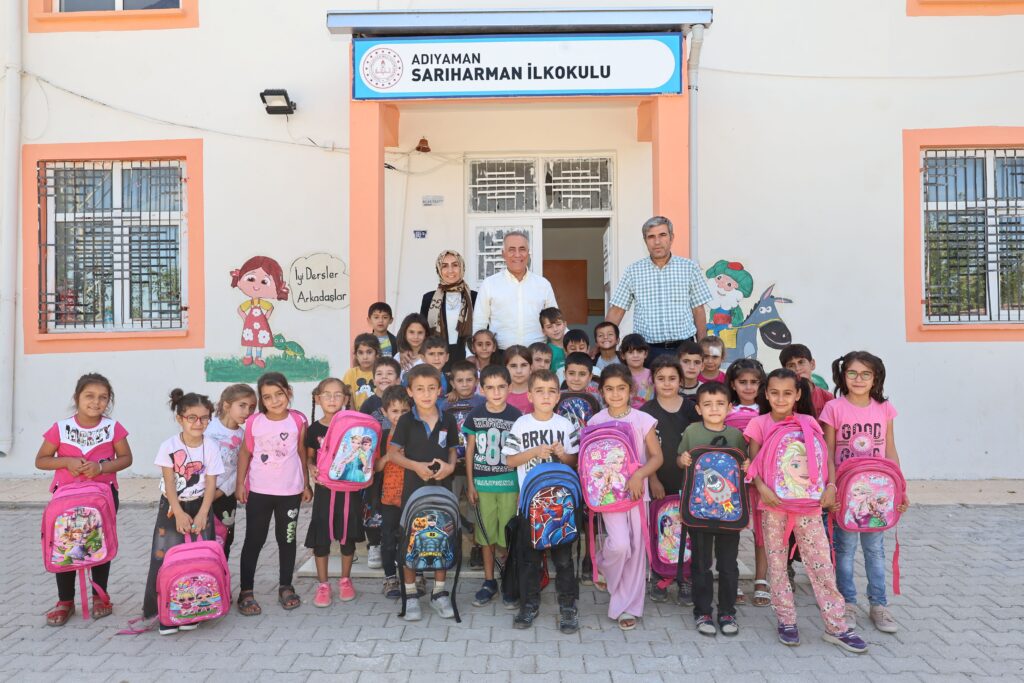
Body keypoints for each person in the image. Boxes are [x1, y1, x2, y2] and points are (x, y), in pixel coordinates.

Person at [744, 369, 867, 653]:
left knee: (821, 564)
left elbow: (826, 458)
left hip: (808, 507)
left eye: (787, 393)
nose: (780, 399)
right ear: (766, 394)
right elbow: (753, 463)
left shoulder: (809, 422)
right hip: (774, 506)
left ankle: (836, 626)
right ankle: (786, 620)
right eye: (774, 393)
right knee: (777, 565)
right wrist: (761, 489)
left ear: (798, 394)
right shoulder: (758, 423)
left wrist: (831, 486)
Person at [36, 373, 133, 626]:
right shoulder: (60, 428)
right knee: (65, 546)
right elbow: (41, 460)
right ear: (77, 397)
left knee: (98, 543)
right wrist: (66, 462)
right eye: (89, 396)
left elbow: (126, 458)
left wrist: (101, 468)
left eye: (103, 397)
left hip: (102, 498)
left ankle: (99, 595)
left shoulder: (113, 428)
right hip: (66, 499)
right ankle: (65, 600)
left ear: (108, 401)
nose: (96, 402)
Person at [821, 351, 906, 635]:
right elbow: (828, 452)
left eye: (866, 374)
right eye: (853, 373)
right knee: (844, 550)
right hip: (846, 493)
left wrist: (900, 488)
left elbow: (890, 449)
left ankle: (878, 605)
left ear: (875, 378)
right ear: (843, 376)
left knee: (875, 550)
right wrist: (831, 487)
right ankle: (847, 604)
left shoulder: (885, 408)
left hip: (878, 494)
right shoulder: (833, 408)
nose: (859, 379)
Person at [502, 369, 580, 632]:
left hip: (561, 506)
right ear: (530, 395)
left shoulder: (565, 424)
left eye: (551, 391)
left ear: (558, 396)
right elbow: (510, 460)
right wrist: (534, 451)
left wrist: (563, 454)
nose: (546, 396)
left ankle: (568, 607)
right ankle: (529, 604)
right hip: (530, 505)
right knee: (530, 559)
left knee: (564, 559)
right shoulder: (521, 424)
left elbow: (574, 462)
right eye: (540, 391)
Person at [588, 364, 664, 630]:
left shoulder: (642, 420)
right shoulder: (596, 422)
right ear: (601, 392)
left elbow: (657, 457)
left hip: (637, 493)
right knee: (620, 545)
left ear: (631, 390)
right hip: (609, 496)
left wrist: (639, 474)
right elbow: (590, 461)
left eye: (621, 388)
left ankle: (627, 606)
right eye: (609, 389)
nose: (616, 394)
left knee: (636, 550)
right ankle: (604, 564)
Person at [143, 390, 223, 635]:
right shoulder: (169, 446)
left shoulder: (211, 446)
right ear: (180, 419)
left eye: (204, 418)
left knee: (197, 558)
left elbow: (211, 483)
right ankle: (162, 612)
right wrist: (178, 512)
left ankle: (193, 608)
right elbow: (169, 483)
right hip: (172, 507)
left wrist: (203, 514)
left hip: (201, 506)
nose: (198, 423)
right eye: (192, 418)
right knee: (164, 557)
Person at [385, 364, 460, 621]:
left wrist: (450, 467)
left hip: (442, 489)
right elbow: (393, 454)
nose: (426, 394)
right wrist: (416, 466)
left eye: (431, 388)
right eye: (420, 389)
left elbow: (452, 450)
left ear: (440, 390)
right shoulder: (406, 421)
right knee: (411, 539)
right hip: (413, 491)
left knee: (442, 538)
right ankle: (411, 595)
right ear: (410, 392)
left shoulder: (448, 419)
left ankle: (440, 593)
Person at [236, 372, 312, 616]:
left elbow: (301, 452)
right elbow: (245, 453)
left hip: (290, 492)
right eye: (267, 397)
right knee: (254, 541)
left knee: (287, 539)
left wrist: (306, 484)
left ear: (288, 392)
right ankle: (246, 591)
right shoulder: (254, 422)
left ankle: (286, 586)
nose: (275, 400)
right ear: (261, 400)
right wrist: (240, 484)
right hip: (259, 491)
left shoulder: (298, 420)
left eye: (279, 394)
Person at [677, 382, 748, 637]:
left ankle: (727, 611)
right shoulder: (692, 431)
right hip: (699, 509)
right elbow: (680, 459)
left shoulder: (736, 435)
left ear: (729, 407)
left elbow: (742, 467)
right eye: (707, 404)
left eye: (720, 404)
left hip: (728, 509)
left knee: (728, 564)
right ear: (698, 408)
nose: (714, 409)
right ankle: (703, 611)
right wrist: (682, 459)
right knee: (701, 564)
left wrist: (747, 465)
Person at [607, 216, 711, 360]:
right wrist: (602, 344)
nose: (657, 242)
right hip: (647, 352)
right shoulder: (633, 271)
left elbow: (698, 310)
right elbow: (617, 310)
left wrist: (702, 346)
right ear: (645, 241)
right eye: (651, 237)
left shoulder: (689, 268)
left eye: (662, 235)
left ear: (671, 237)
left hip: (684, 349)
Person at [640, 356, 699, 604]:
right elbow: (643, 450)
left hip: (688, 480)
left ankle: (685, 577)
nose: (666, 383)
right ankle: (660, 576)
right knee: (660, 528)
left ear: (681, 381)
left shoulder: (691, 409)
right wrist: (652, 478)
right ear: (652, 381)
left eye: (672, 378)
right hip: (659, 482)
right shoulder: (646, 412)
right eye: (661, 378)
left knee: (687, 529)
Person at [464, 365, 522, 608]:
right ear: (482, 389)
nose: (496, 392)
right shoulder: (474, 415)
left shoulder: (517, 416)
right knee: (486, 536)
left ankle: (509, 580)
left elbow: (521, 453)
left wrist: (521, 488)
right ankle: (489, 581)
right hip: (483, 485)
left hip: (509, 485)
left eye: (501, 387)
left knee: (509, 537)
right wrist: (470, 484)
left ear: (509, 387)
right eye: (490, 387)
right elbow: (470, 451)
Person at [305, 379, 364, 607]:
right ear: (318, 398)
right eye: (327, 394)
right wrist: (311, 468)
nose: (332, 399)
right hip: (324, 491)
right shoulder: (314, 429)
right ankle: (323, 584)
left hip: (349, 491)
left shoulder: (354, 426)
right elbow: (309, 457)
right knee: (321, 536)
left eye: (338, 394)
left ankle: (345, 580)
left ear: (346, 398)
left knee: (347, 535)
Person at [723, 359, 767, 606]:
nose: (749, 387)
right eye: (743, 382)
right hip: (732, 481)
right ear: (733, 384)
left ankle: (762, 581)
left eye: (754, 382)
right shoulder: (726, 410)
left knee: (763, 531)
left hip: (762, 482)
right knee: (733, 531)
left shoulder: (768, 411)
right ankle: (734, 579)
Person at [473, 231, 558, 350]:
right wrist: (471, 353)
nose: (517, 254)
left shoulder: (543, 284)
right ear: (503, 254)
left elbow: (555, 320)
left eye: (522, 249)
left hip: (536, 355)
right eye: (511, 249)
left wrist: (570, 343)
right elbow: (479, 323)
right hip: (500, 354)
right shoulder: (489, 284)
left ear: (528, 253)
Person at [206, 383, 257, 560]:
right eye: (242, 405)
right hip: (200, 493)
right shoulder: (207, 428)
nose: (247, 412)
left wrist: (219, 492)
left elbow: (241, 469)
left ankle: (220, 573)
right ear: (227, 405)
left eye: (251, 407)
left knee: (223, 538)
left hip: (223, 497)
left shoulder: (245, 436)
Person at [375, 386, 413, 600]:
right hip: (389, 498)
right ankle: (390, 578)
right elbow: (375, 467)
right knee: (388, 540)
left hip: (412, 497)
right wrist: (389, 456)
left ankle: (416, 577)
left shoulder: (415, 435)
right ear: (384, 412)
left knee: (413, 539)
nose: (399, 416)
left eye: (404, 411)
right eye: (394, 411)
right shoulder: (382, 437)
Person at [420, 250, 478, 368]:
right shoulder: (429, 298)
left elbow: (481, 329)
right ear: (439, 270)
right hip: (438, 358)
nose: (450, 270)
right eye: (445, 266)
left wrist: (472, 354)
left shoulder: (474, 297)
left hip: (468, 357)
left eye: (455, 265)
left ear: (462, 267)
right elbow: (423, 330)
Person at [230, 255, 290, 368]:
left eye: (264, 282)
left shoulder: (262, 303)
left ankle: (258, 357)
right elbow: (240, 310)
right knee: (250, 340)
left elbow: (270, 307)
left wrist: (265, 319)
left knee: (259, 340)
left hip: (261, 327)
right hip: (250, 326)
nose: (256, 286)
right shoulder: (250, 303)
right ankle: (248, 356)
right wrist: (246, 319)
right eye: (251, 279)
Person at [780, 344, 835, 418]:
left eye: (801, 362)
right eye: (791, 365)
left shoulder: (827, 398)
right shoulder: (780, 399)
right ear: (784, 370)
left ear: (812, 364)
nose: (797, 368)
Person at [343, 333, 381, 411]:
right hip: (357, 416)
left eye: (369, 352)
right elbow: (349, 400)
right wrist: (355, 417)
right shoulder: (351, 374)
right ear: (356, 355)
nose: (365, 357)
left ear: (377, 354)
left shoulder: (381, 373)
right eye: (360, 353)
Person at [360, 356, 402, 424]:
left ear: (398, 380)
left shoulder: (404, 401)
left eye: (389, 373)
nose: (384, 377)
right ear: (373, 381)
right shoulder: (367, 405)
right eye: (379, 374)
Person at [620, 334, 653, 408]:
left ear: (645, 354)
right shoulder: (619, 377)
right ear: (623, 355)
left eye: (639, 351)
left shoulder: (652, 375)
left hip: (650, 413)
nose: (635, 355)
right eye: (630, 352)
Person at [503, 345, 534, 414]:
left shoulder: (538, 393)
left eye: (524, 365)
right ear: (505, 368)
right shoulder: (499, 394)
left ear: (531, 368)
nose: (519, 371)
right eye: (513, 366)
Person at [539, 307, 568, 372]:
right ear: (543, 331)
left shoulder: (574, 346)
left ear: (565, 325)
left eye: (558, 324)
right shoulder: (546, 352)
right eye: (549, 327)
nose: (555, 329)